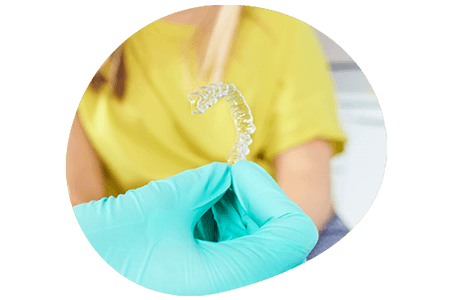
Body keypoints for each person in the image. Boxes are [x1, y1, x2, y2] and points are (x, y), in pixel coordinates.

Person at [66, 5, 349, 262]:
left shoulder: (279, 27)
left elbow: (306, 175)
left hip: (273, 221)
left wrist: (264, 246)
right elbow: (84, 200)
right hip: (143, 236)